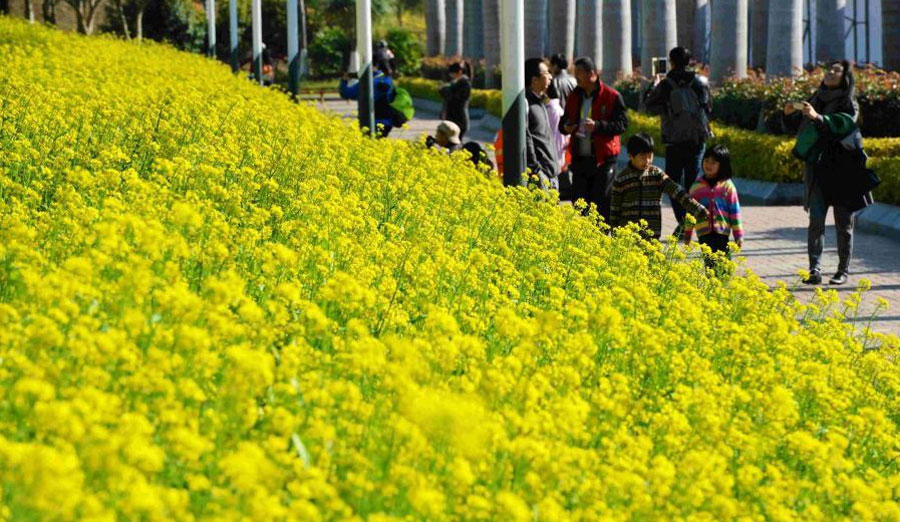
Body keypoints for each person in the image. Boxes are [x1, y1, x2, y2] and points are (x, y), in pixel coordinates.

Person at [785, 60, 873, 286]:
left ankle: (842, 270)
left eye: (837, 70)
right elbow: (801, 129)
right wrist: (789, 114)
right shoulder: (816, 98)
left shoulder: (848, 101)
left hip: (843, 168)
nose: (830, 73)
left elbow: (845, 123)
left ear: (845, 77)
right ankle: (814, 269)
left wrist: (819, 117)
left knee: (844, 223)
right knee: (816, 220)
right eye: (829, 69)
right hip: (817, 167)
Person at [643, 46, 712, 237]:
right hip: (697, 139)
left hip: (674, 140)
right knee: (693, 181)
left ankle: (683, 223)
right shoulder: (701, 82)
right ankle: (694, 220)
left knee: (672, 184)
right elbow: (709, 108)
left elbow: (648, 107)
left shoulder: (666, 84)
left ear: (671, 62)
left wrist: (655, 84)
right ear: (689, 61)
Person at [559, 57, 629, 221]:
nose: (575, 78)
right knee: (579, 203)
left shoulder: (612, 96)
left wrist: (597, 126)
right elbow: (563, 123)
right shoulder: (574, 96)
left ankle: (600, 239)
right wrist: (566, 127)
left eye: (578, 74)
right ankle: (583, 239)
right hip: (580, 159)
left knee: (601, 204)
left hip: (603, 160)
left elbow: (622, 125)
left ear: (592, 74)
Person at [610, 133, 708, 240]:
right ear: (630, 156)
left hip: (651, 236)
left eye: (650, 156)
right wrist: (615, 233)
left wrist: (698, 209)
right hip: (627, 237)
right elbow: (615, 209)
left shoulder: (656, 175)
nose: (647, 161)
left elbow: (677, 192)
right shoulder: (621, 179)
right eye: (642, 157)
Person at [684, 145, 744, 267]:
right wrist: (687, 233)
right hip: (703, 234)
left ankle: (722, 283)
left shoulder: (727, 186)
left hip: (722, 233)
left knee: (724, 265)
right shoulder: (696, 188)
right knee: (710, 265)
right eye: (706, 161)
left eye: (713, 162)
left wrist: (738, 235)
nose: (709, 165)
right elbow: (690, 213)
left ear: (722, 165)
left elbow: (734, 212)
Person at [524, 58, 559, 191]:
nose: (550, 77)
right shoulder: (527, 104)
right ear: (534, 80)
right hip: (541, 176)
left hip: (550, 174)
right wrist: (536, 170)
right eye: (546, 73)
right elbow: (527, 139)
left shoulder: (540, 102)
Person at [339, 61, 398, 137]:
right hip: (388, 122)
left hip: (372, 122)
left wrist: (344, 80)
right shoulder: (388, 79)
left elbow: (347, 93)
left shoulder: (370, 82)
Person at [440, 61, 472, 140]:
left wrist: (444, 90)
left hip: (459, 119)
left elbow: (454, 99)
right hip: (452, 119)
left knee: (455, 143)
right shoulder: (454, 83)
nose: (451, 75)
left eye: (452, 73)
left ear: (459, 72)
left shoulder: (464, 84)